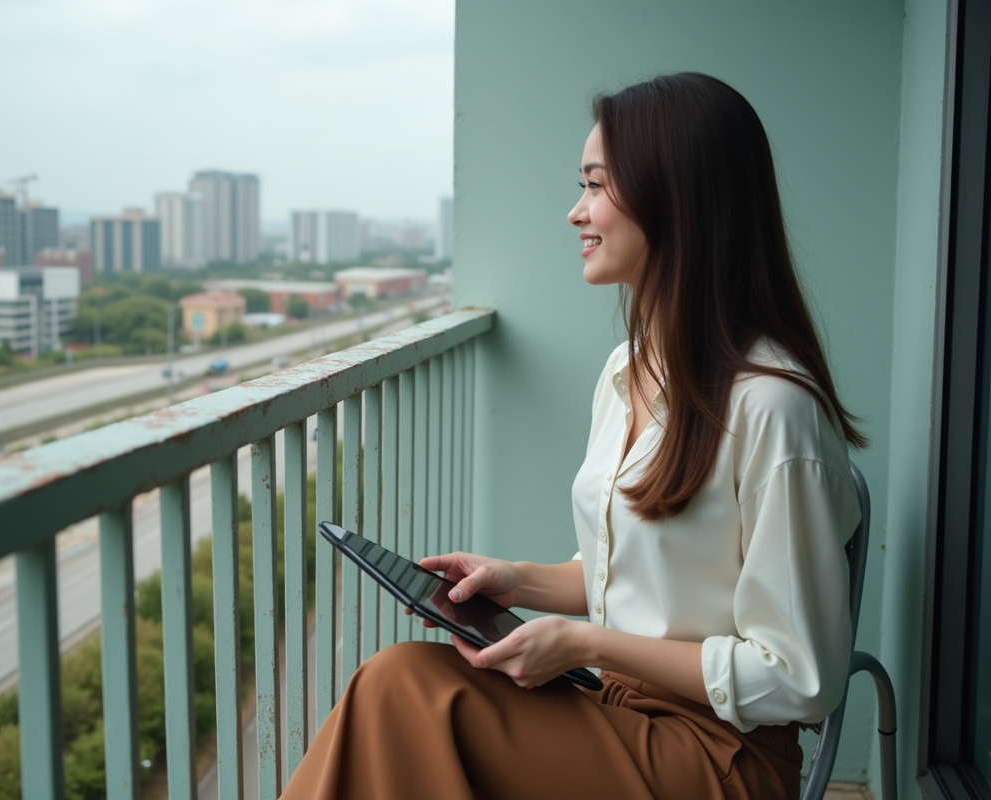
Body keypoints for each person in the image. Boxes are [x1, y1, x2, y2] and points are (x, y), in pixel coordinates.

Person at [281, 72, 865, 800]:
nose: (575, 212)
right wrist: (515, 581)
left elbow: (798, 679)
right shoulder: (628, 372)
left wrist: (584, 643)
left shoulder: (775, 411)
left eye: (595, 185)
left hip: (719, 757)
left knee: (404, 693)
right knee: (400, 684)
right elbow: (640, 579)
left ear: (675, 198)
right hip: (612, 709)